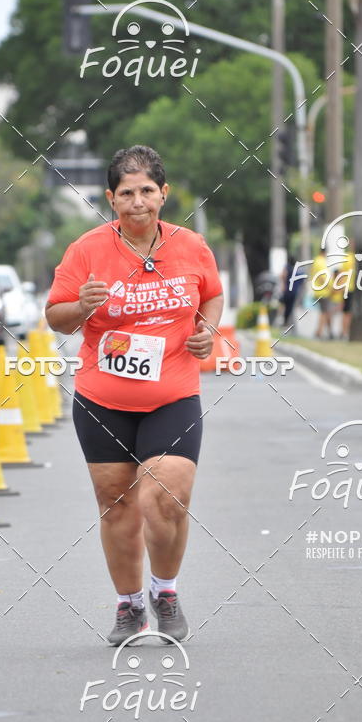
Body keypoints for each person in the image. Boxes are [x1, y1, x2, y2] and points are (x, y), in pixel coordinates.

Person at [45, 146, 224, 645]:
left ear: (164, 194)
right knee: (117, 505)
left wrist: (205, 331)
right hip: (102, 401)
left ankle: (165, 592)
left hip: (173, 395)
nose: (138, 201)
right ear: (110, 198)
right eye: (126, 193)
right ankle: (129, 607)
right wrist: (80, 306)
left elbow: (210, 292)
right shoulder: (86, 250)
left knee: (164, 497)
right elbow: (55, 315)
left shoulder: (191, 246)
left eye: (147, 190)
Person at [310, 247, 333, 339]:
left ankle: (330, 332)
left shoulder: (316, 261)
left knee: (327, 312)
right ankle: (318, 332)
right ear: (324, 252)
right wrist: (330, 287)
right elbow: (321, 277)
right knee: (324, 312)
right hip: (323, 292)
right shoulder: (320, 262)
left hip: (319, 291)